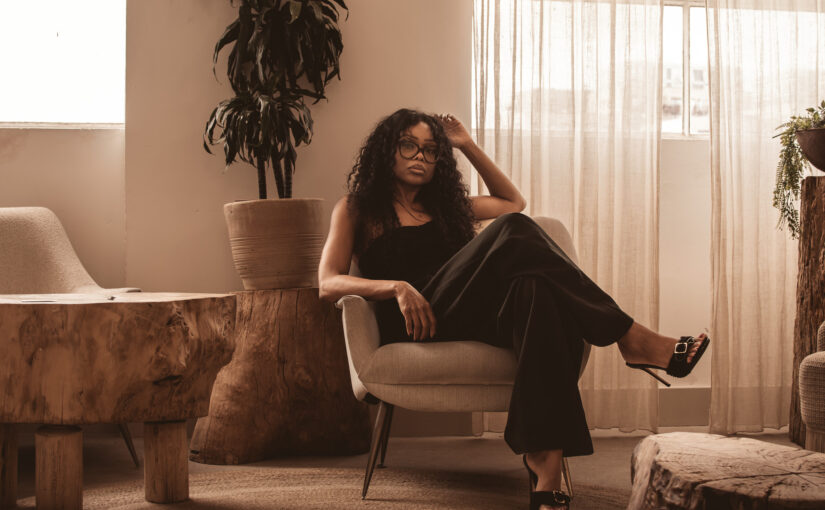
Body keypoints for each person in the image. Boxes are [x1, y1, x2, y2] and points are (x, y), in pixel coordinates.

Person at [317, 108, 709, 510]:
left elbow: (512, 200)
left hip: (463, 314)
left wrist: (467, 145)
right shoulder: (357, 208)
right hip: (415, 323)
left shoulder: (449, 207)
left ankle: (545, 465)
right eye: (408, 146)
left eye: (431, 150)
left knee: (534, 289)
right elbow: (328, 283)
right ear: (387, 150)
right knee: (515, 227)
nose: (420, 156)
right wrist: (396, 287)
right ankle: (630, 337)